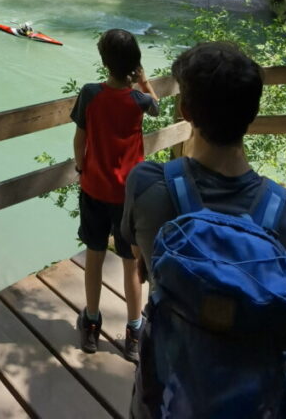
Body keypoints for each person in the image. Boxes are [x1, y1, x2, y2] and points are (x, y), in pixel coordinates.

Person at [122, 41, 286, 418]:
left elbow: (140, 263)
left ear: (185, 111)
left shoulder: (148, 186)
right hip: (255, 404)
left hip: (164, 396)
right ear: (254, 113)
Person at [72, 29, 159, 363]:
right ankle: (134, 332)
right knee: (131, 262)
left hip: (93, 187)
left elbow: (79, 141)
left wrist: (82, 168)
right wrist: (144, 80)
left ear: (104, 62)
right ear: (133, 64)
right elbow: (156, 108)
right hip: (129, 195)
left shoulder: (90, 94)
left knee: (94, 255)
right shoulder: (138, 99)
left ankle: (92, 323)